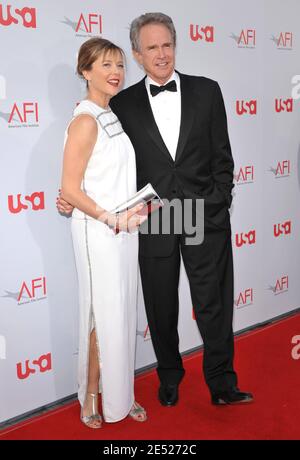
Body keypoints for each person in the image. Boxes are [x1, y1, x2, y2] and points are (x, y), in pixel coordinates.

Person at [58, 13, 253, 407]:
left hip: (202, 212)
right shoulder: (122, 104)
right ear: (137, 53)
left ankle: (221, 383)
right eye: (151, 48)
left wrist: (217, 203)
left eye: (167, 45)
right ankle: (169, 377)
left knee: (212, 303)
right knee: (161, 306)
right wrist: (69, 193)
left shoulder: (206, 91)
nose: (161, 54)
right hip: (154, 217)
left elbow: (223, 158)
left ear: (175, 46)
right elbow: (99, 155)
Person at [60, 37, 148, 428]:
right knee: (102, 314)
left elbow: (102, 177)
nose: (115, 73)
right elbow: (70, 189)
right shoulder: (83, 120)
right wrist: (112, 219)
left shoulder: (110, 114)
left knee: (122, 312)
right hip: (99, 234)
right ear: (85, 71)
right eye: (105, 65)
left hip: (124, 230)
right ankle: (92, 395)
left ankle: (121, 394)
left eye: (120, 65)